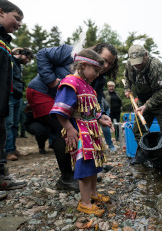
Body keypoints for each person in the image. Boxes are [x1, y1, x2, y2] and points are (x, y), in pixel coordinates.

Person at [26, 43, 118, 191]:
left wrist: (100, 116)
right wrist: (51, 80)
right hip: (42, 92)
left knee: (77, 130)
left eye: (111, 63)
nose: (106, 65)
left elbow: (95, 101)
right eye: (104, 59)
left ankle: (83, 172)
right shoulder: (70, 52)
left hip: (65, 103)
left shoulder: (98, 78)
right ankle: (67, 178)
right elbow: (42, 53)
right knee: (63, 129)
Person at [50, 49, 112, 216]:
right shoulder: (70, 83)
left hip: (92, 131)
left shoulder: (88, 86)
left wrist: (101, 118)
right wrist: (69, 129)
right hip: (80, 132)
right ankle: (84, 203)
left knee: (93, 164)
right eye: (96, 70)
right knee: (84, 166)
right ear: (83, 65)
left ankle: (92, 194)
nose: (98, 74)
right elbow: (59, 110)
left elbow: (91, 110)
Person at [0, 0, 27, 203]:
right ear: (0, 12)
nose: (19, 24)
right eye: (16, 18)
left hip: (0, 100)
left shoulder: (4, 39)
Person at [124, 45, 162, 161]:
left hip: (161, 103)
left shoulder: (156, 66)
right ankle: (149, 156)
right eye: (134, 63)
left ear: (146, 55)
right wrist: (127, 89)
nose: (137, 66)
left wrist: (147, 105)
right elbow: (127, 78)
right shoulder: (130, 64)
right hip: (142, 101)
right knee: (138, 130)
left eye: (139, 62)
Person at [5, 47, 33, 161]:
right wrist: (13, 51)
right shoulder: (10, 60)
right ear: (22, 54)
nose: (28, 61)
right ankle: (8, 151)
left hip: (17, 97)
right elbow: (5, 57)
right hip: (9, 95)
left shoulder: (19, 66)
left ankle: (12, 148)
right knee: (9, 123)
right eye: (28, 58)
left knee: (15, 124)